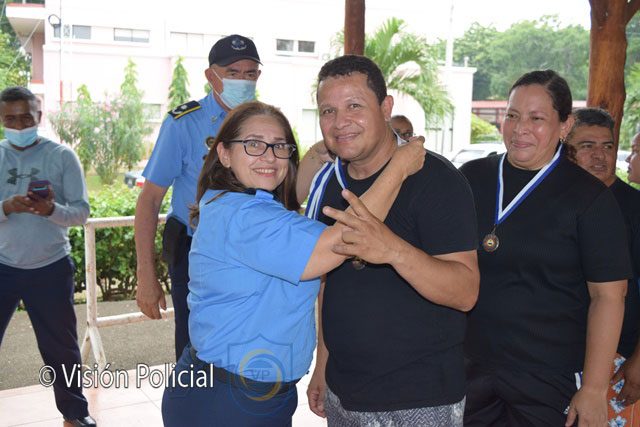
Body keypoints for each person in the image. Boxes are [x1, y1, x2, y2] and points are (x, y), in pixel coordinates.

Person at [160, 101, 425, 426]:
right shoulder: (246, 218)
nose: (269, 156)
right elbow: (342, 241)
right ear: (225, 154)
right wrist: (399, 168)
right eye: (254, 144)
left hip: (235, 389)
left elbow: (286, 204)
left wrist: (323, 150)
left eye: (279, 146)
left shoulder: (231, 201)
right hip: (228, 400)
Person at [304, 55, 480, 426]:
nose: (340, 122)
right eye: (328, 111)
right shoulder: (329, 182)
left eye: (354, 106)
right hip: (343, 390)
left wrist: (393, 250)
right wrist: (323, 363)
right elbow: (327, 282)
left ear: (385, 108)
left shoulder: (435, 179)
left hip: (418, 397)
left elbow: (466, 291)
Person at [461, 70, 631, 426]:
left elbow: (608, 297)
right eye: (513, 115)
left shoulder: (589, 197)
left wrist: (594, 388)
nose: (520, 128)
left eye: (536, 118)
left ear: (565, 126)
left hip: (549, 377)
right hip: (470, 369)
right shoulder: (472, 177)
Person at [134, 34, 262, 359]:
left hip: (250, 250)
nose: (243, 81)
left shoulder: (264, 124)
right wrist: (145, 275)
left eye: (250, 73)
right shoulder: (184, 123)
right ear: (211, 76)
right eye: (233, 73)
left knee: (246, 343)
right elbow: (149, 199)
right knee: (195, 349)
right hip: (194, 251)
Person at [0, 87, 94, 426]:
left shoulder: (62, 156)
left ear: (39, 116)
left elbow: (81, 212)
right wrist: (6, 207)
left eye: (26, 118)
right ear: (1, 119)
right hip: (2, 266)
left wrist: (51, 210)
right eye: (11, 119)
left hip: (51, 267)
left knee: (61, 348)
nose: (19, 125)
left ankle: (75, 413)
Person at [566, 107, 640, 425]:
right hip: (559, 357)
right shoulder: (557, 202)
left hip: (621, 361)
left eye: (607, 146)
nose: (600, 156)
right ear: (566, 149)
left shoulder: (635, 208)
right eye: (587, 146)